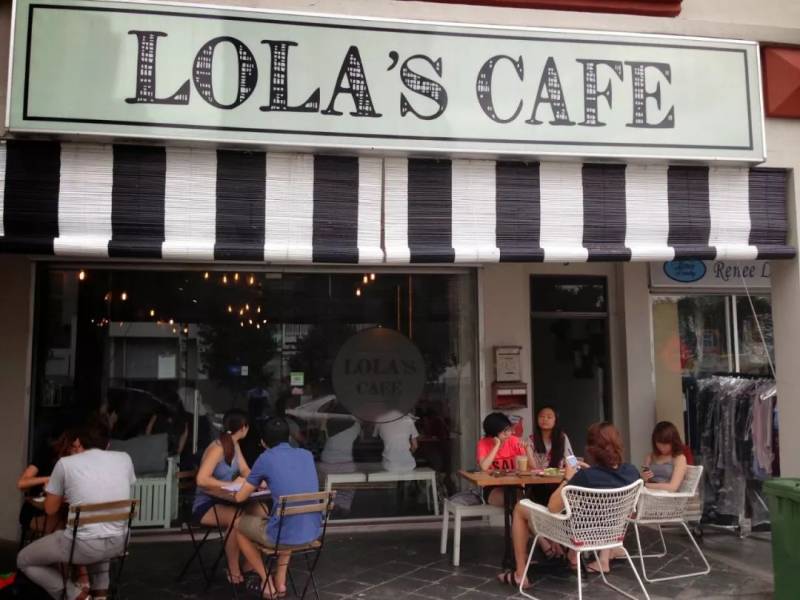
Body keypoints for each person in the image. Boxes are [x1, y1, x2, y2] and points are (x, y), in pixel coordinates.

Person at [497, 422, 640, 590]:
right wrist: (590, 471)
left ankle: (520, 575)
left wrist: (568, 478)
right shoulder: (632, 472)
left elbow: (553, 507)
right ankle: (572, 558)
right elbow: (609, 481)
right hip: (611, 533)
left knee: (520, 507)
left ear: (591, 449)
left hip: (576, 534)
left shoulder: (585, 477)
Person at [17, 417, 136, 600]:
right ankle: (100, 596)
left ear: (78, 441)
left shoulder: (66, 464)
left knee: (23, 560)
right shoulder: (125, 459)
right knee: (101, 535)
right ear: (108, 444)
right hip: (120, 542)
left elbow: (50, 509)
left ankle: (77, 595)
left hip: (83, 546)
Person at [235, 417, 321, 599]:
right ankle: (280, 582)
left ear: (263, 442)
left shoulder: (265, 458)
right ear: (289, 437)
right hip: (311, 532)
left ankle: (266, 581)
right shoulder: (306, 455)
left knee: (237, 526)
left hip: (282, 534)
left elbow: (240, 497)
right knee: (286, 519)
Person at [192, 409, 252, 584]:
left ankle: (249, 564)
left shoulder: (235, 445)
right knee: (237, 519)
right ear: (243, 428)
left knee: (257, 513)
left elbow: (245, 470)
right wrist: (230, 485)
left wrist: (257, 481)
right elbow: (201, 479)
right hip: (206, 504)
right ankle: (233, 570)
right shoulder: (218, 448)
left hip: (225, 500)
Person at [17, 430, 78, 540]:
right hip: (37, 512)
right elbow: (22, 483)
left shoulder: (79, 463)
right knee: (65, 529)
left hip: (64, 512)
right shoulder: (48, 454)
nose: (78, 451)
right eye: (75, 447)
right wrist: (51, 479)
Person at [477, 412, 535, 506]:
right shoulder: (483, 443)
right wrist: (497, 445)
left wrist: (528, 450)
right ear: (493, 432)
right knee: (515, 502)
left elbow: (532, 467)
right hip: (492, 487)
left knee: (524, 502)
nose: (508, 433)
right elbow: (484, 467)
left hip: (514, 485)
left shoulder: (514, 441)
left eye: (509, 430)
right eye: (504, 431)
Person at [642, 421, 689, 492]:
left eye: (665, 444)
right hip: (649, 493)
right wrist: (644, 478)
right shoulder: (650, 456)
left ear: (673, 442)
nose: (661, 448)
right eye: (658, 443)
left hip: (667, 495)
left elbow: (673, 487)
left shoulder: (679, 458)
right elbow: (645, 480)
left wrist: (645, 485)